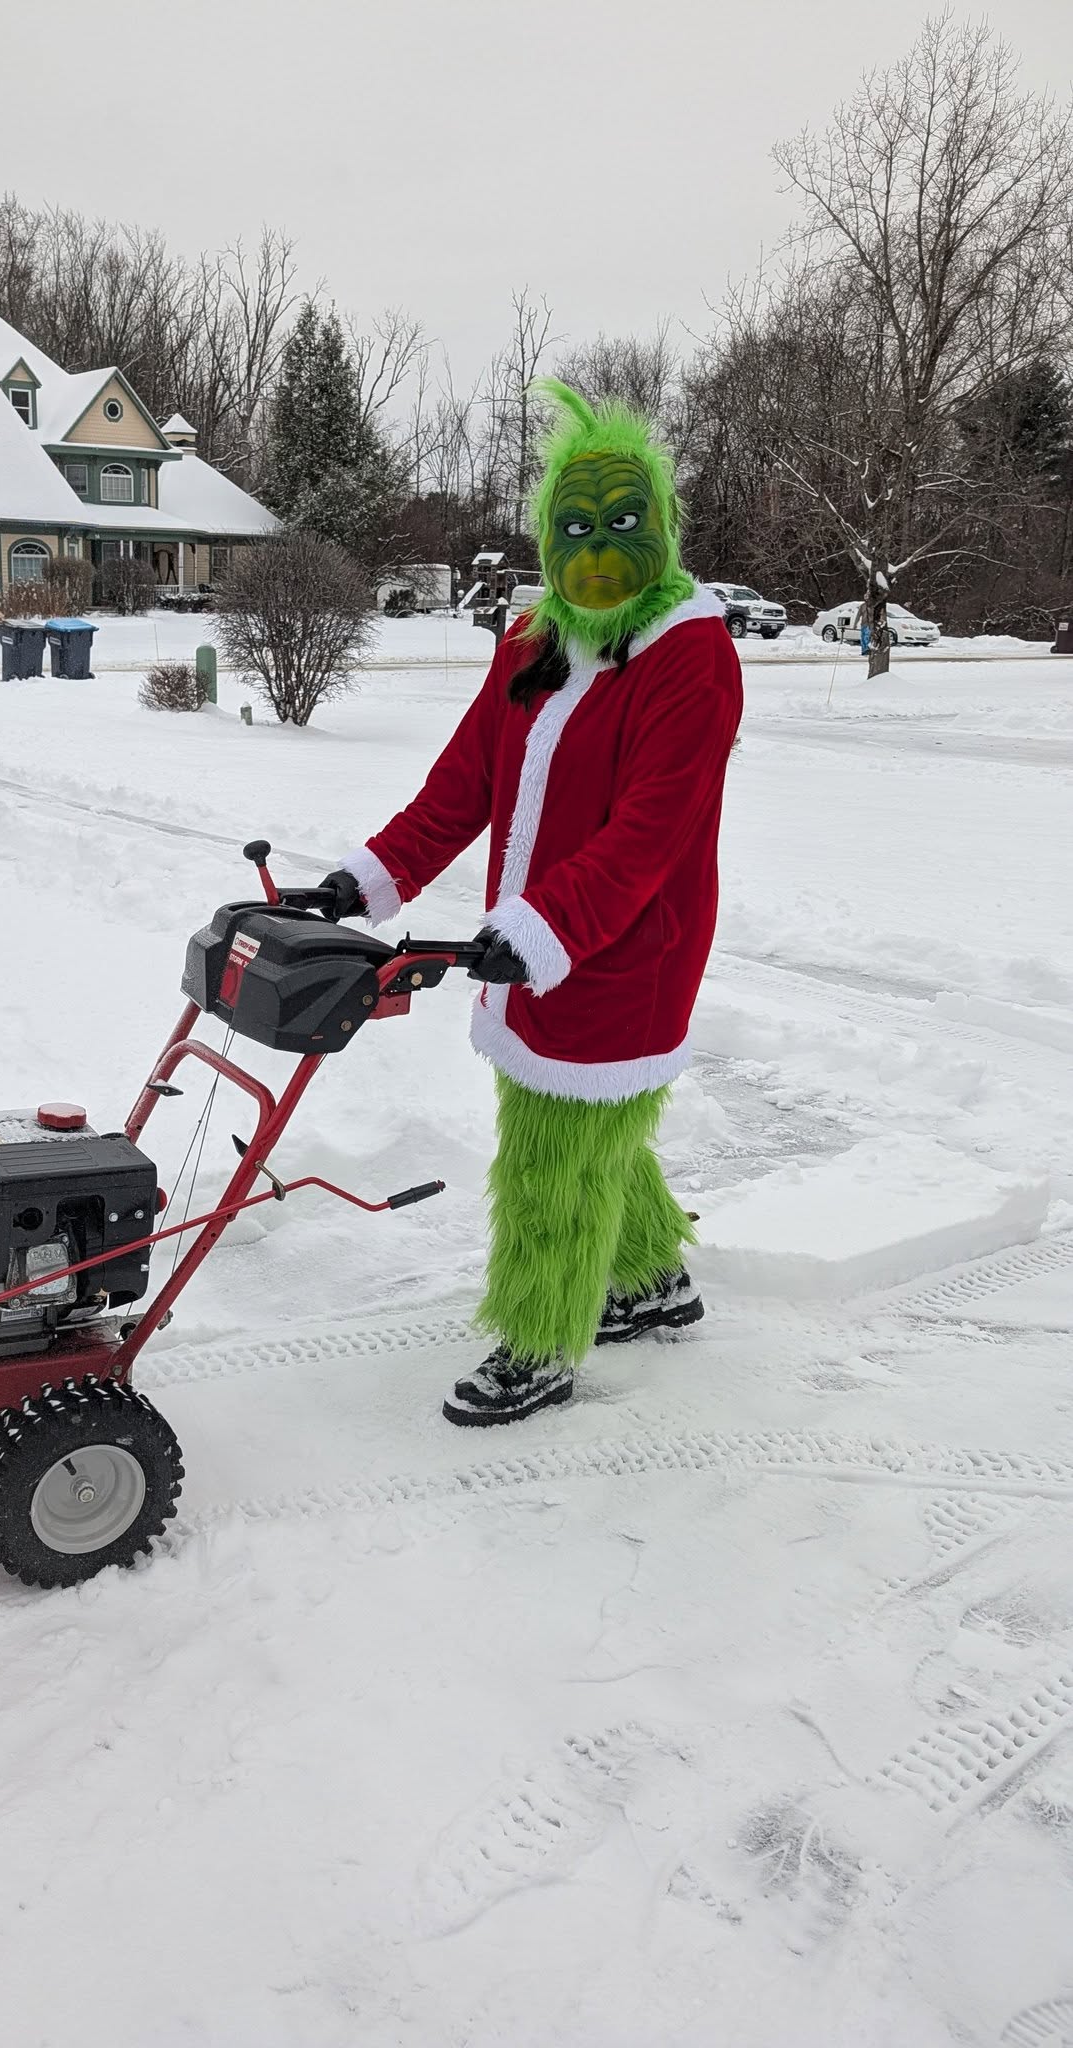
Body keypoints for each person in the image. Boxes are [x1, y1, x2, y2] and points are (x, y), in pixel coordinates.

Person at [316, 385, 742, 1426]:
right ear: (548, 536)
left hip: (627, 954)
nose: (597, 551)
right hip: (539, 945)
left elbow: (650, 830)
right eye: (575, 527)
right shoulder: (535, 640)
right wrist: (367, 879)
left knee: (553, 1154)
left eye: (622, 524)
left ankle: (544, 1337)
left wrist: (547, 927)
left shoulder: (691, 655)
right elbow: (464, 782)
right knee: (597, 1133)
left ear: (663, 527)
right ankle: (648, 1281)